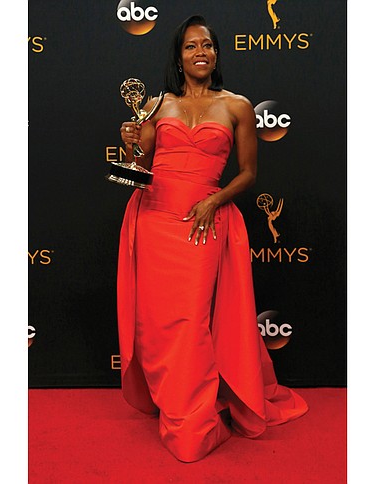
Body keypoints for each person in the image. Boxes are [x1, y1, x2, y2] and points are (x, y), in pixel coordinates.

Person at [116, 15, 308, 463]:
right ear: (179, 57)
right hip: (155, 220)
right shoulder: (157, 104)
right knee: (158, 324)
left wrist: (213, 201)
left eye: (207, 45)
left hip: (204, 221)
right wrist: (128, 144)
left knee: (191, 322)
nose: (200, 52)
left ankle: (195, 419)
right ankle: (173, 402)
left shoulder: (237, 105)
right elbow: (139, 167)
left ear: (216, 53)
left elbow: (248, 173)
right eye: (190, 46)